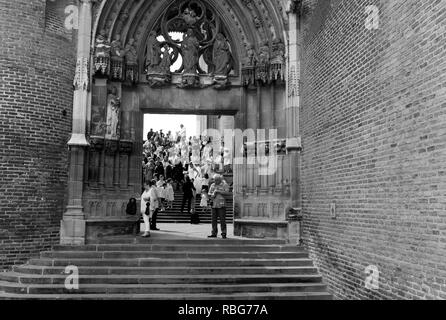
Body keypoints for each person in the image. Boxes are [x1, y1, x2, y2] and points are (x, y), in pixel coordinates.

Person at [208, 174, 230, 239]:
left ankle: (224, 233)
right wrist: (212, 194)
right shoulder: (212, 185)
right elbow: (209, 193)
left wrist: (218, 191)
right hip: (214, 205)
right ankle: (214, 233)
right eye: (214, 180)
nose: (215, 181)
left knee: (222, 220)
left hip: (221, 205)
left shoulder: (224, 185)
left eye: (216, 180)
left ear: (219, 180)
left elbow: (227, 192)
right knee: (213, 220)